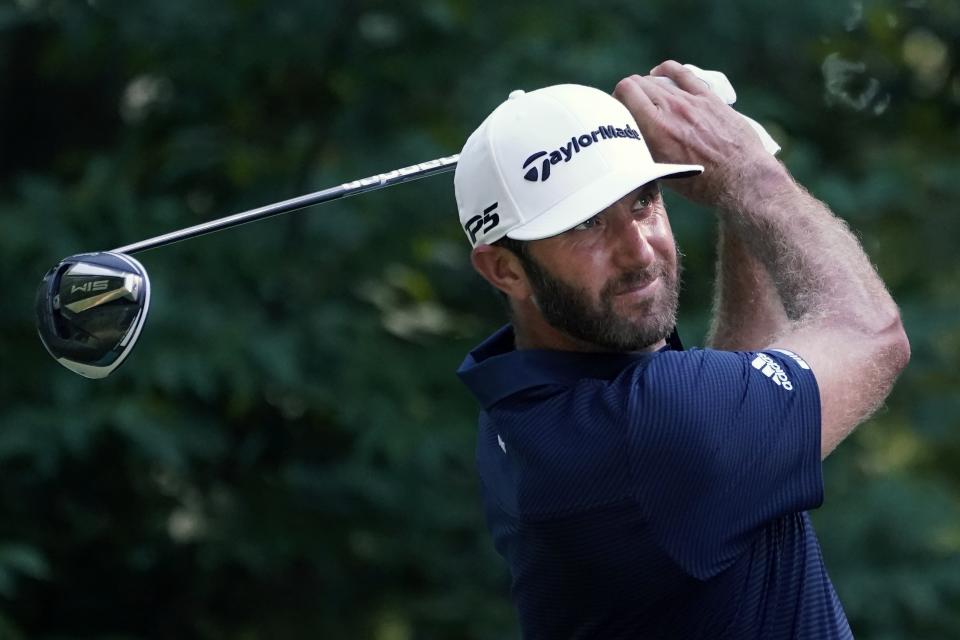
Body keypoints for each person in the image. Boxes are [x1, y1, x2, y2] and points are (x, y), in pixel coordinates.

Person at [453, 61, 910, 639]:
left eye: (643, 201)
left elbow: (734, 394)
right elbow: (871, 334)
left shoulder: (525, 402)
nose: (638, 251)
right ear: (504, 268)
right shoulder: (644, 432)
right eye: (587, 224)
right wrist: (748, 169)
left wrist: (733, 183)